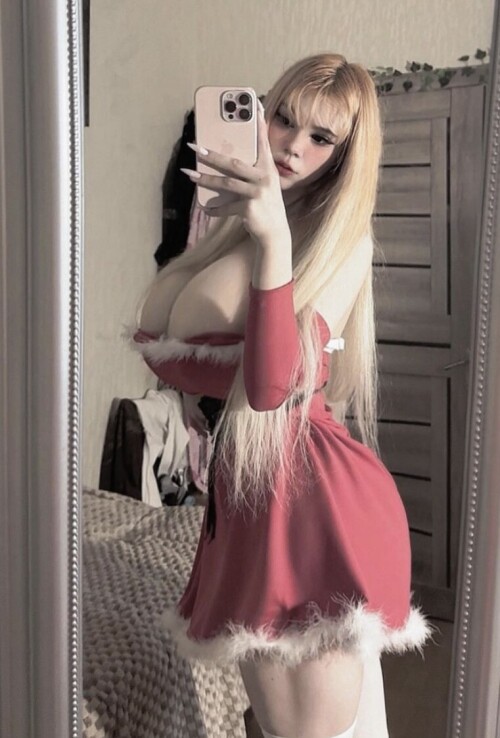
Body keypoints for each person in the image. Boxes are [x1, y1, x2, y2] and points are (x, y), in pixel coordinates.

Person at [131, 53, 435, 738]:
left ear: (346, 155)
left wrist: (272, 239)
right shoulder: (240, 225)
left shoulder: (338, 241)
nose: (293, 146)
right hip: (249, 491)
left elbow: (271, 390)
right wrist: (246, 226)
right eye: (284, 119)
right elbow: (159, 344)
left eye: (321, 137)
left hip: (309, 498)